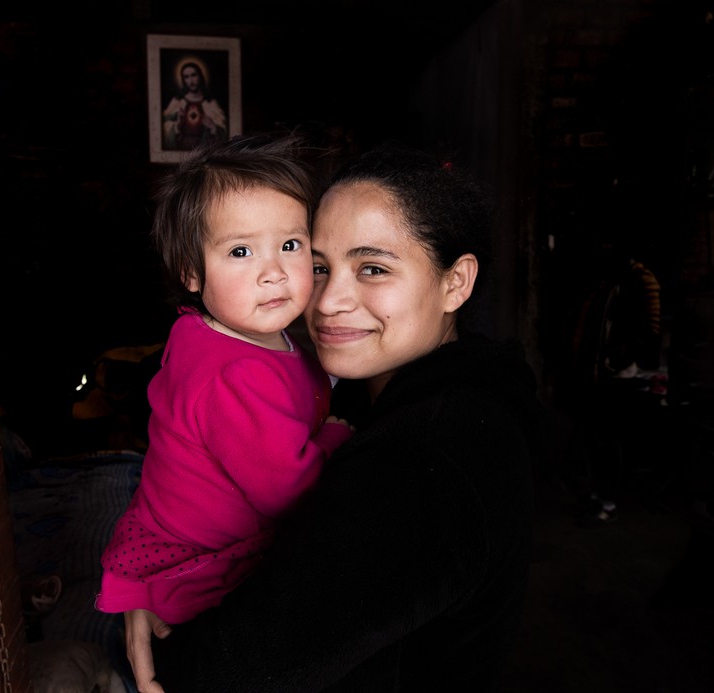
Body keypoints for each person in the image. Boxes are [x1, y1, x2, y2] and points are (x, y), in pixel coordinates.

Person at [126, 140, 546, 692]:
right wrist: (165, 580)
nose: (327, 302)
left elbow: (244, 665)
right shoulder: (368, 399)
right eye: (319, 266)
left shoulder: (428, 455)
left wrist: (172, 636)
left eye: (372, 268)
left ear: (456, 282)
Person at [95, 134, 354, 627]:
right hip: (203, 571)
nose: (273, 272)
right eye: (240, 252)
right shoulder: (234, 374)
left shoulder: (215, 330)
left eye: (290, 244)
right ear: (193, 272)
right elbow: (287, 490)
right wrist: (336, 436)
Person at [162, 61, 228, 151]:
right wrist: (177, 126)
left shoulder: (210, 103)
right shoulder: (177, 102)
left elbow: (224, 132)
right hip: (181, 152)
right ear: (183, 80)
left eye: (194, 75)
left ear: (200, 76)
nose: (191, 81)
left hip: (203, 151)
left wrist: (213, 127)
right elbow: (163, 127)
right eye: (186, 77)